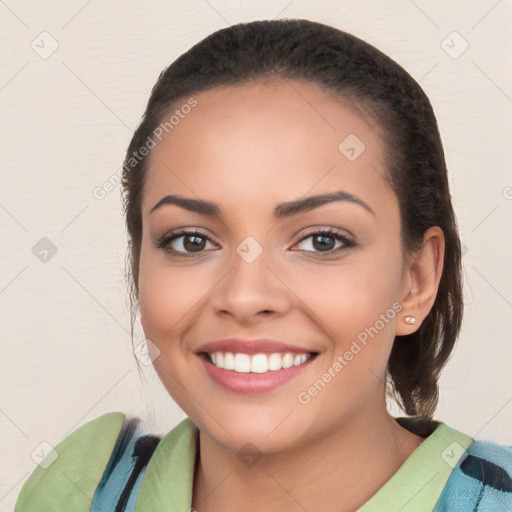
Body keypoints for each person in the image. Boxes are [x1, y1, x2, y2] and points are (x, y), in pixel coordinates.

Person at [15, 18, 512, 512]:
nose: (246, 296)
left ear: (417, 280)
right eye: (190, 241)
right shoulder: (79, 491)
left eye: (321, 241)